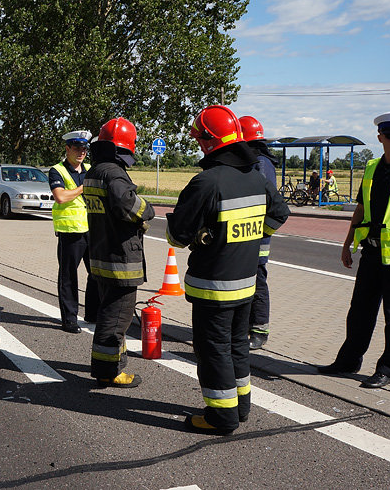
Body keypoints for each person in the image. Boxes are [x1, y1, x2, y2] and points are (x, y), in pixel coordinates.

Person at [167, 105, 289, 434]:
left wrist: (207, 235)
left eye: (200, 140)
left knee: (213, 351)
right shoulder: (256, 177)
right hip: (247, 284)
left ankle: (221, 416)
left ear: (209, 143)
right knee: (236, 347)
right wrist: (250, 235)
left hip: (213, 286)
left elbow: (176, 236)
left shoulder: (206, 182)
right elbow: (280, 213)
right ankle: (241, 406)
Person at [318, 111, 390, 388]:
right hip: (371, 253)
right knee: (359, 312)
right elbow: (360, 209)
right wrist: (347, 243)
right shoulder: (371, 168)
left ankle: (388, 369)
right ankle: (348, 362)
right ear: (381, 137)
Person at [84, 118, 154, 388]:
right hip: (120, 260)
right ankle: (107, 370)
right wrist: (147, 211)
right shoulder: (114, 174)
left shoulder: (95, 171)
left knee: (110, 313)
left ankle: (115, 362)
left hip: (101, 255)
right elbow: (131, 205)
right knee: (116, 319)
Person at [48, 130, 99, 333]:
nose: (81, 152)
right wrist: (84, 186)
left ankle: (92, 314)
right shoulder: (57, 170)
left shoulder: (89, 168)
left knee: (95, 273)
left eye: (84, 148)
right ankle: (69, 319)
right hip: (70, 230)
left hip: (91, 229)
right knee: (69, 276)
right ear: (67, 148)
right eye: (77, 148)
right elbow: (61, 197)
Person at [239, 115, 278, 350]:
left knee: (258, 280)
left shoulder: (260, 164)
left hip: (257, 236)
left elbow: (267, 205)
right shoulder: (256, 161)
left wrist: (261, 231)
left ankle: (259, 329)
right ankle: (248, 326)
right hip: (248, 234)